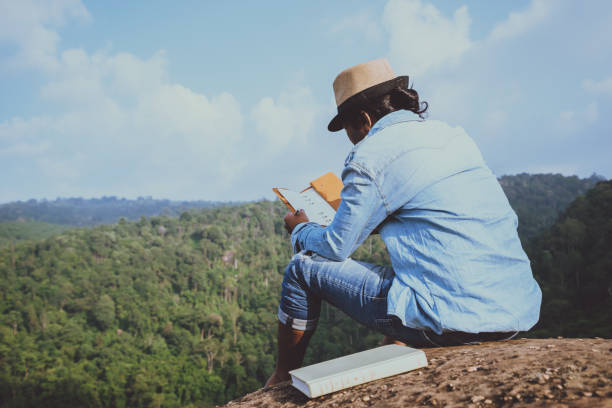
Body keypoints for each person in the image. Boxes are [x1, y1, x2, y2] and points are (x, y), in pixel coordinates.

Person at [265, 59, 542, 386]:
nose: (351, 139)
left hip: (452, 320)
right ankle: (396, 346)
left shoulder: (370, 156)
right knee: (410, 259)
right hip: (515, 313)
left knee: (303, 265)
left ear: (364, 121)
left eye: (349, 130)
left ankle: (280, 381)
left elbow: (336, 247)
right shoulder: (453, 136)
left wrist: (302, 229)